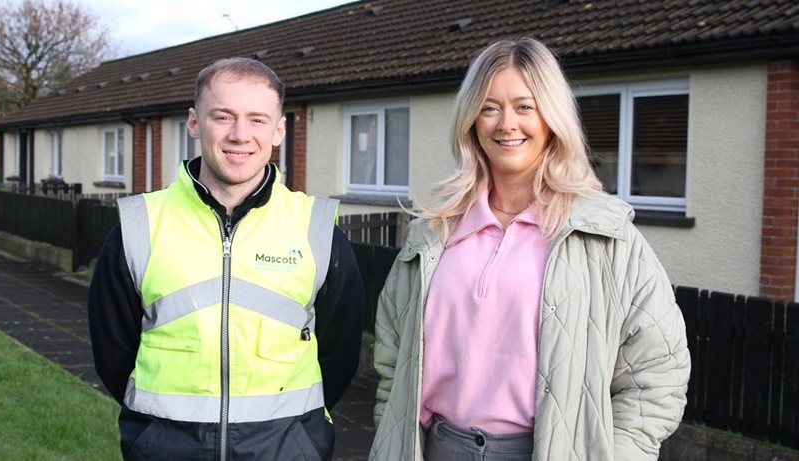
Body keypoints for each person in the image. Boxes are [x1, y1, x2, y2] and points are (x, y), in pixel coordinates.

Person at [369, 37, 690, 461]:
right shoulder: (433, 230)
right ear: (470, 119)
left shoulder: (604, 234)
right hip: (439, 447)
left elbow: (657, 373)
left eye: (525, 106)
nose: (506, 124)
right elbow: (392, 350)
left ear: (551, 116)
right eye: (489, 107)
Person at [88, 57, 365, 461]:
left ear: (279, 130)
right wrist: (153, 434)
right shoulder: (138, 227)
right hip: (165, 451)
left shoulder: (316, 230)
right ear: (195, 123)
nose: (240, 135)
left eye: (257, 119)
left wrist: (300, 437)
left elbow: (340, 354)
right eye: (223, 116)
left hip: (286, 451)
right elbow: (113, 353)